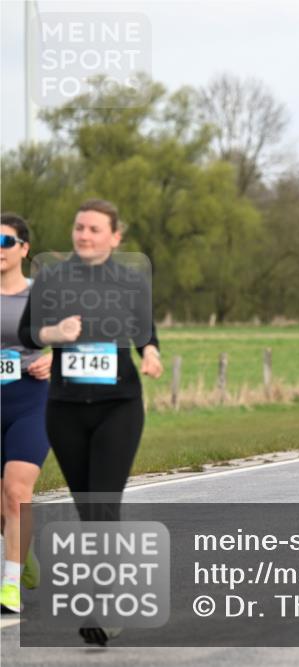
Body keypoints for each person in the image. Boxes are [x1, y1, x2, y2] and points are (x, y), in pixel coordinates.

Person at [17, 199, 163, 643]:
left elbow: (145, 330)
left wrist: (152, 353)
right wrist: (55, 335)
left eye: (95, 229)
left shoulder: (130, 281)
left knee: (102, 499)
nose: (84, 236)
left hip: (118, 404)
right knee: (88, 506)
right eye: (79, 228)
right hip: (64, 407)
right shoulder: (53, 279)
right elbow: (29, 332)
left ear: (115, 237)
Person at [0, 214, 51, 614]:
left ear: (23, 248)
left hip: (31, 400)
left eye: (5, 241)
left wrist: (56, 358)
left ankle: (10, 586)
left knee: (17, 493)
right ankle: (25, 553)